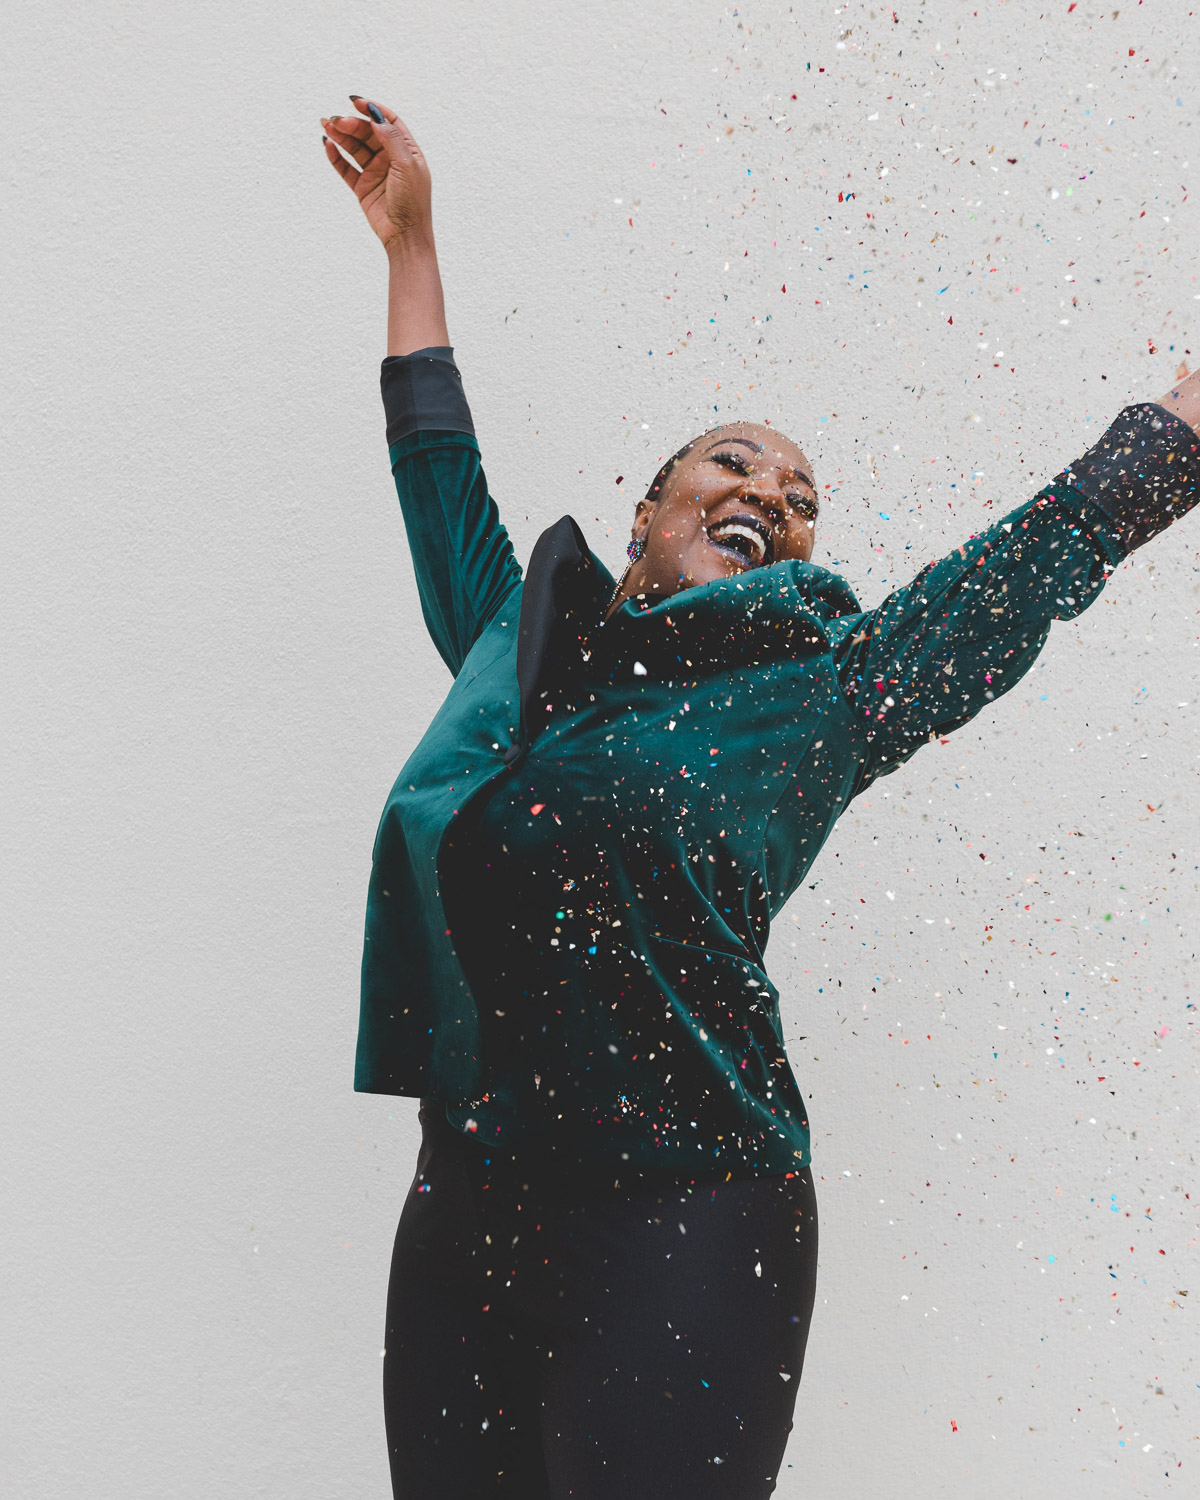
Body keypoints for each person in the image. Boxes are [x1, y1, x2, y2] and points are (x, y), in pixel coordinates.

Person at [321, 96, 1200, 1497]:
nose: (774, 495)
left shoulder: (826, 694)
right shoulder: (520, 651)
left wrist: (1185, 418)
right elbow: (439, 477)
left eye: (801, 497)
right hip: (467, 1207)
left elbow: (1025, 567)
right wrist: (410, 244)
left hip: (690, 1214)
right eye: (734, 462)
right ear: (648, 517)